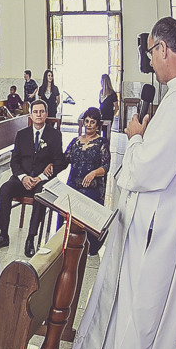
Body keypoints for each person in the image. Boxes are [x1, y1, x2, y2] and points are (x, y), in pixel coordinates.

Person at [69, 18, 176, 349]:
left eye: (150, 53)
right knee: (138, 307)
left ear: (163, 48)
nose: (150, 61)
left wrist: (133, 138)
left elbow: (146, 171)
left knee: (135, 308)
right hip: (165, 222)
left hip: (153, 228)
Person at [0, 100, 67, 257]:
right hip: (21, 178)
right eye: (35, 111)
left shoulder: (55, 135)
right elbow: (14, 160)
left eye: (41, 111)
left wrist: (41, 177)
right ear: (31, 115)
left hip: (42, 181)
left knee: (40, 196)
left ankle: (31, 238)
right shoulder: (22, 134)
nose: (38, 114)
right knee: (5, 189)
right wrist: (23, 177)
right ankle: (3, 235)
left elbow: (59, 162)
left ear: (46, 114)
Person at [63, 107, 110, 256]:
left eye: (92, 122)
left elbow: (106, 166)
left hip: (92, 185)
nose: (89, 124)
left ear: (97, 125)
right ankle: (66, 240)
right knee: (65, 201)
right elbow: (64, 160)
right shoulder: (75, 141)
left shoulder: (101, 142)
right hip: (73, 183)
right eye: (87, 121)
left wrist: (94, 173)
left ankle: (93, 243)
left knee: (89, 201)